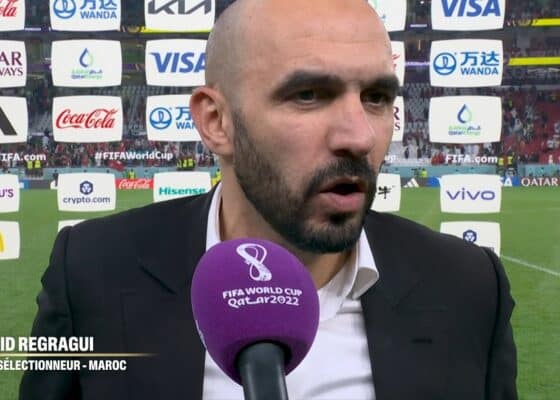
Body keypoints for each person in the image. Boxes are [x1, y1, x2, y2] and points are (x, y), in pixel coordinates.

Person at [20, 1, 517, 399]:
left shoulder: (470, 286)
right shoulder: (92, 272)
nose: (360, 136)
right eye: (308, 94)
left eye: (376, 98)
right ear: (216, 122)